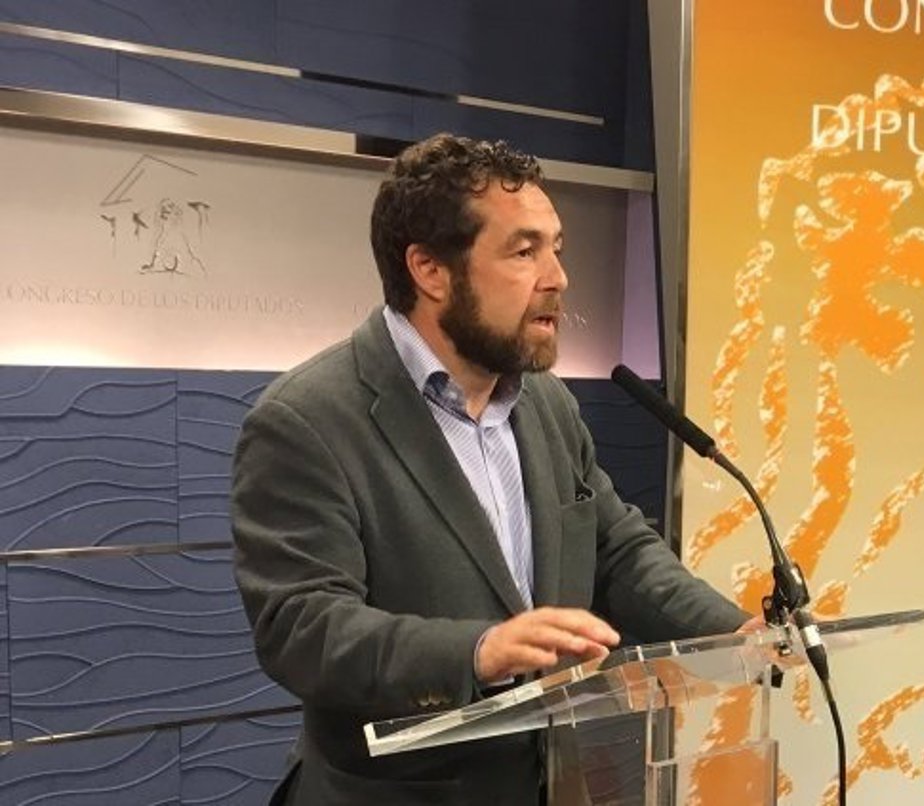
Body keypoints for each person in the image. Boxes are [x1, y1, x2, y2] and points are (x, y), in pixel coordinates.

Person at [230, 132, 751, 806]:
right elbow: (303, 628)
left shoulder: (548, 404)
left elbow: (615, 549)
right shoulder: (307, 420)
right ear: (430, 270)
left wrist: (732, 633)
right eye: (524, 251)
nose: (557, 277)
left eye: (556, 248)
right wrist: (477, 651)